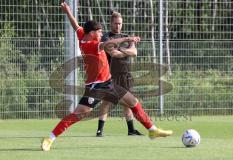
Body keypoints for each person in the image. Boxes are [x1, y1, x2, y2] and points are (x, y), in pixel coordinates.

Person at [41, 2, 173, 151]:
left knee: (133, 102)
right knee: (79, 114)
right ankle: (50, 138)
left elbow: (75, 25)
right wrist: (128, 39)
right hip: (95, 88)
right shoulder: (92, 45)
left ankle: (152, 130)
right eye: (99, 31)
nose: (101, 34)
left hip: (108, 83)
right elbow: (109, 42)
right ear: (92, 33)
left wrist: (68, 11)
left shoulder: (82, 34)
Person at [96, 11, 143, 137]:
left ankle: (131, 130)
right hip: (111, 75)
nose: (118, 26)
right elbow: (113, 54)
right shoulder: (106, 38)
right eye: (115, 23)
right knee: (107, 101)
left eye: (120, 24)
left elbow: (134, 53)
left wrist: (121, 50)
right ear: (111, 23)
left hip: (126, 74)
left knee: (128, 103)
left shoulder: (127, 36)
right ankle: (100, 130)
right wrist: (125, 51)